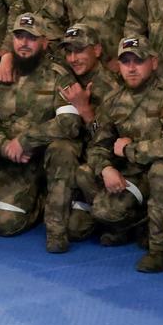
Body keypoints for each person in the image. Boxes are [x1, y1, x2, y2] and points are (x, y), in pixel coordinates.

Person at [86, 37, 163, 268]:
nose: (131, 68)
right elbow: (98, 145)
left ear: (153, 62)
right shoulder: (113, 100)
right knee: (92, 188)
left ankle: (160, 249)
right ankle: (134, 225)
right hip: (132, 175)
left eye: (138, 61)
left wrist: (129, 149)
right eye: (125, 61)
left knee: (161, 171)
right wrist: (107, 167)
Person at [0, 13, 79, 249]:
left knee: (63, 149)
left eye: (31, 38)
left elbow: (69, 122)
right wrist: (5, 146)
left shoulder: (58, 75)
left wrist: (26, 140)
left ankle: (56, 230)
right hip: (15, 162)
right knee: (3, 224)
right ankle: (41, 201)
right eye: (19, 36)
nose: (24, 43)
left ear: (44, 42)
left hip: (49, 159)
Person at [46, 25, 114, 247]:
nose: (73, 58)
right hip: (73, 163)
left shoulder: (112, 86)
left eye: (79, 51)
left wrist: (84, 110)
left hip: (102, 168)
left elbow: (109, 142)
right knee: (60, 147)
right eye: (68, 52)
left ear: (97, 50)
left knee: (77, 228)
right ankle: (54, 227)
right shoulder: (66, 80)